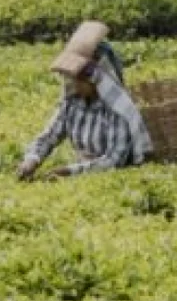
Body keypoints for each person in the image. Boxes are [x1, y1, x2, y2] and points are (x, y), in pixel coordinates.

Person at [17, 21, 153, 182]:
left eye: (81, 80)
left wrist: (70, 171)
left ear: (98, 79)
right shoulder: (72, 103)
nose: (74, 84)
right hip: (82, 170)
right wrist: (32, 159)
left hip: (113, 179)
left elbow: (114, 160)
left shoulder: (117, 109)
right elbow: (50, 135)